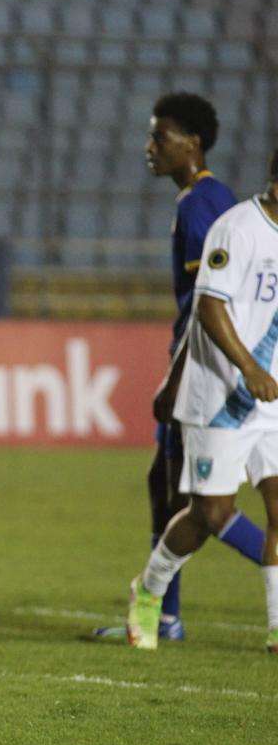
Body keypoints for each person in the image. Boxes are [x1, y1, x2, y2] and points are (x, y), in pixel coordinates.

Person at [95, 93, 265, 641]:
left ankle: (162, 612)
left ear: (192, 141)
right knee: (169, 489)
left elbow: (206, 304)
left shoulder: (201, 207)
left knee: (196, 503)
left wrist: (176, 379)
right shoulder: (216, 200)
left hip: (208, 374)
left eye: (160, 137)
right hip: (224, 369)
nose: (150, 148)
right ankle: (164, 614)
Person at [126, 149, 278, 652]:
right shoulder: (236, 230)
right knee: (210, 515)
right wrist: (250, 368)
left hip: (271, 398)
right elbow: (209, 309)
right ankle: (148, 591)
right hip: (220, 394)